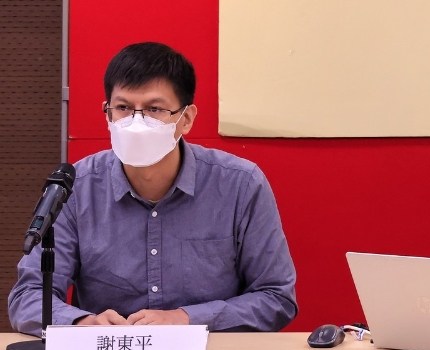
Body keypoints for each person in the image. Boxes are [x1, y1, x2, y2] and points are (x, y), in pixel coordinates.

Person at [7, 42, 298, 333]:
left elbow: (276, 297)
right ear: (107, 114)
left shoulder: (240, 185)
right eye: (123, 108)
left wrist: (188, 318)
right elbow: (28, 297)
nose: (137, 122)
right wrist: (85, 324)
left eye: (154, 109)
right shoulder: (76, 188)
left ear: (186, 119)